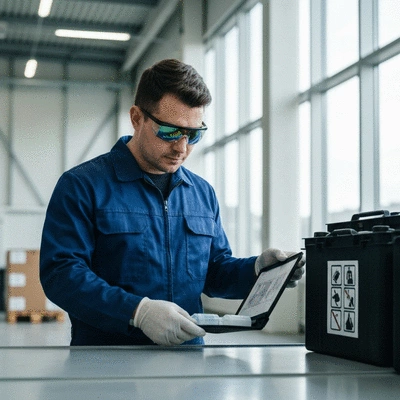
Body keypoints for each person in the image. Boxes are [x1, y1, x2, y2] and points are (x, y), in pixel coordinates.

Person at [40, 59, 304, 346]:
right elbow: (61, 274)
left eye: (194, 134)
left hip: (188, 360)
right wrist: (137, 312)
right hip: (108, 360)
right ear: (137, 118)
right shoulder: (83, 185)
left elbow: (213, 272)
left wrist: (256, 269)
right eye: (169, 132)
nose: (181, 147)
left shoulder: (202, 194)